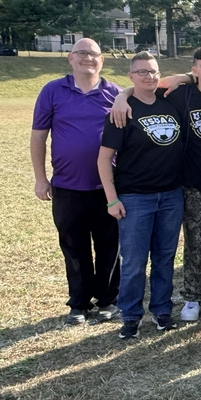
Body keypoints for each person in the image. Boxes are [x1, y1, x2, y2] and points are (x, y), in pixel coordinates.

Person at [113, 45, 201, 322]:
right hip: (192, 185)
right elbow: (149, 87)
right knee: (195, 244)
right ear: (195, 69)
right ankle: (192, 296)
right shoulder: (181, 95)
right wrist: (121, 95)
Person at [31, 37, 121, 326]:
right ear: (70, 58)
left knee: (109, 246)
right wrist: (41, 178)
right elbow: (39, 136)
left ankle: (108, 300)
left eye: (93, 54)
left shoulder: (115, 93)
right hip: (67, 187)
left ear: (102, 60)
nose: (88, 59)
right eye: (81, 53)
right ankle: (79, 303)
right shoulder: (52, 91)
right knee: (74, 246)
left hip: (108, 188)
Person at [96, 52, 184, 339]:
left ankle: (162, 311)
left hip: (171, 195)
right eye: (142, 72)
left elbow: (189, 78)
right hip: (135, 197)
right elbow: (103, 159)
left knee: (164, 257)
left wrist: (126, 91)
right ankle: (131, 315)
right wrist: (112, 199)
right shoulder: (123, 110)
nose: (150, 77)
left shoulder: (169, 100)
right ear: (131, 76)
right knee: (134, 261)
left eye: (154, 72)